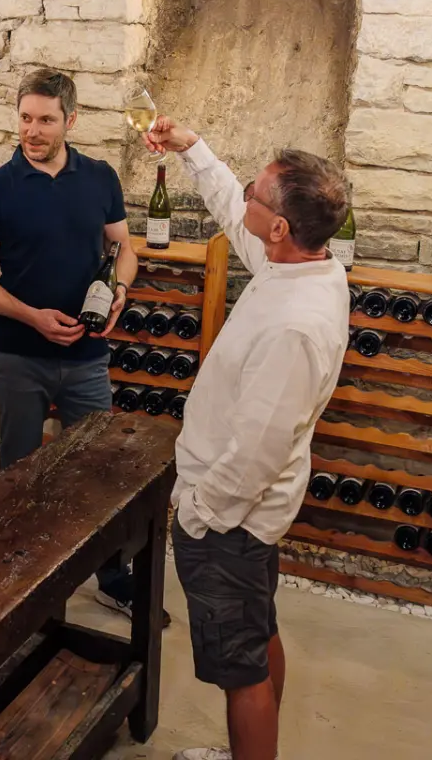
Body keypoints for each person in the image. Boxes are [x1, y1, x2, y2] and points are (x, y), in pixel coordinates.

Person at [141, 117, 351, 760]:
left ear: (282, 228)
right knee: (258, 638)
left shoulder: (295, 326)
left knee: (241, 670)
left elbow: (258, 448)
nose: (248, 200)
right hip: (247, 520)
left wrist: (201, 514)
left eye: (261, 195)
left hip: (231, 522)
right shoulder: (304, 268)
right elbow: (235, 209)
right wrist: (193, 149)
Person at [0, 68, 142, 613]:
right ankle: (15, 582)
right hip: (18, 355)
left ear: (71, 120)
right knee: (18, 472)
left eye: (45, 120)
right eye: (25, 118)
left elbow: (124, 247)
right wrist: (32, 316)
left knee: (100, 469)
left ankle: (112, 578)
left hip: (87, 356)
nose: (32, 130)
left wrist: (121, 291)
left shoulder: (101, 177)